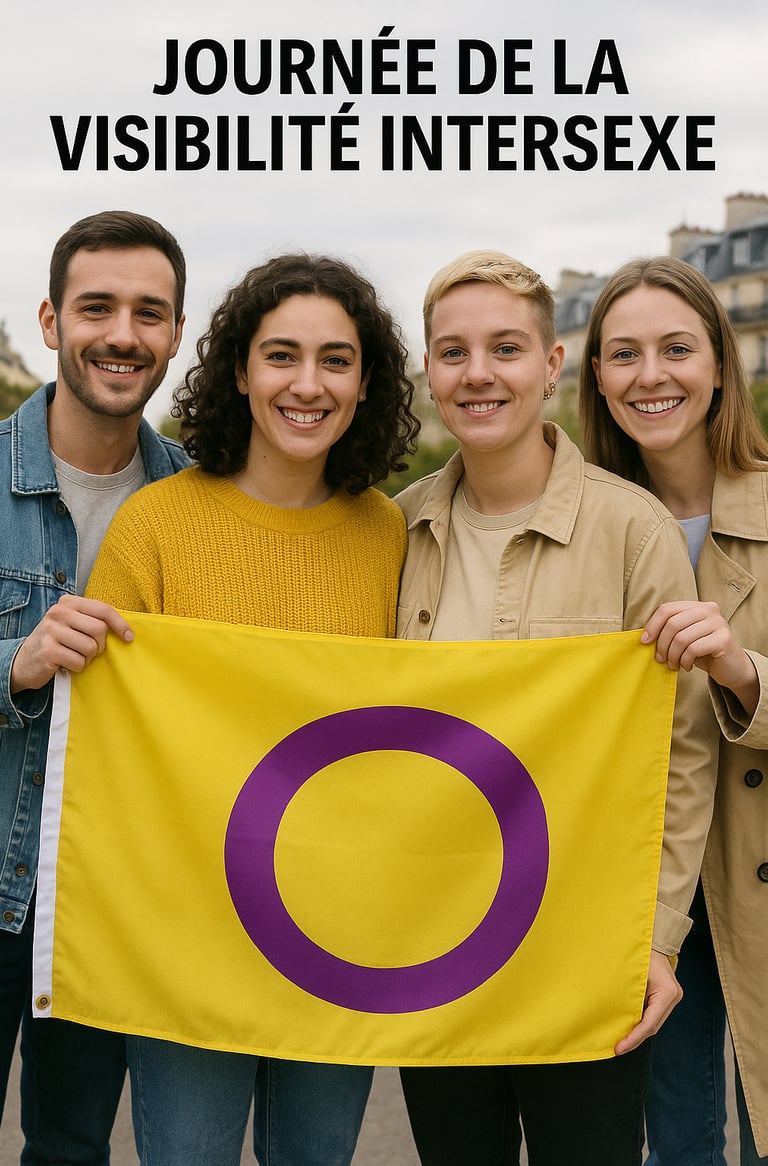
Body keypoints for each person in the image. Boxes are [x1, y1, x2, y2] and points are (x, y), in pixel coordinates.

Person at [85, 252, 420, 1166]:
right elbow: (115, 744)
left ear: (365, 384)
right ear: (238, 370)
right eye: (281, 356)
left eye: (336, 360)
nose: (306, 385)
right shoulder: (154, 523)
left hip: (334, 937)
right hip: (186, 942)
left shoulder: (387, 531)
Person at [394, 250, 716, 1166]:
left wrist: (656, 941)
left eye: (505, 347)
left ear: (551, 364)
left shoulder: (633, 530)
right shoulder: (398, 528)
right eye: (452, 352)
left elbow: (681, 756)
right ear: (430, 373)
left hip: (584, 955)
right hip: (438, 951)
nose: (478, 373)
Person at [0, 210, 187, 1162]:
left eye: (148, 313)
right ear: (49, 320)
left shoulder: (204, 504)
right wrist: (14, 664)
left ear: (176, 338)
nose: (123, 334)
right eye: (98, 307)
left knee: (72, 1148)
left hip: (106, 902)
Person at [580, 254, 768, 1165]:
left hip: (761, 889)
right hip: (646, 897)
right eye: (623, 354)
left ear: (721, 366)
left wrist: (743, 672)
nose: (649, 375)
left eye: (676, 349)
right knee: (675, 1149)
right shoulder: (580, 525)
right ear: (596, 379)